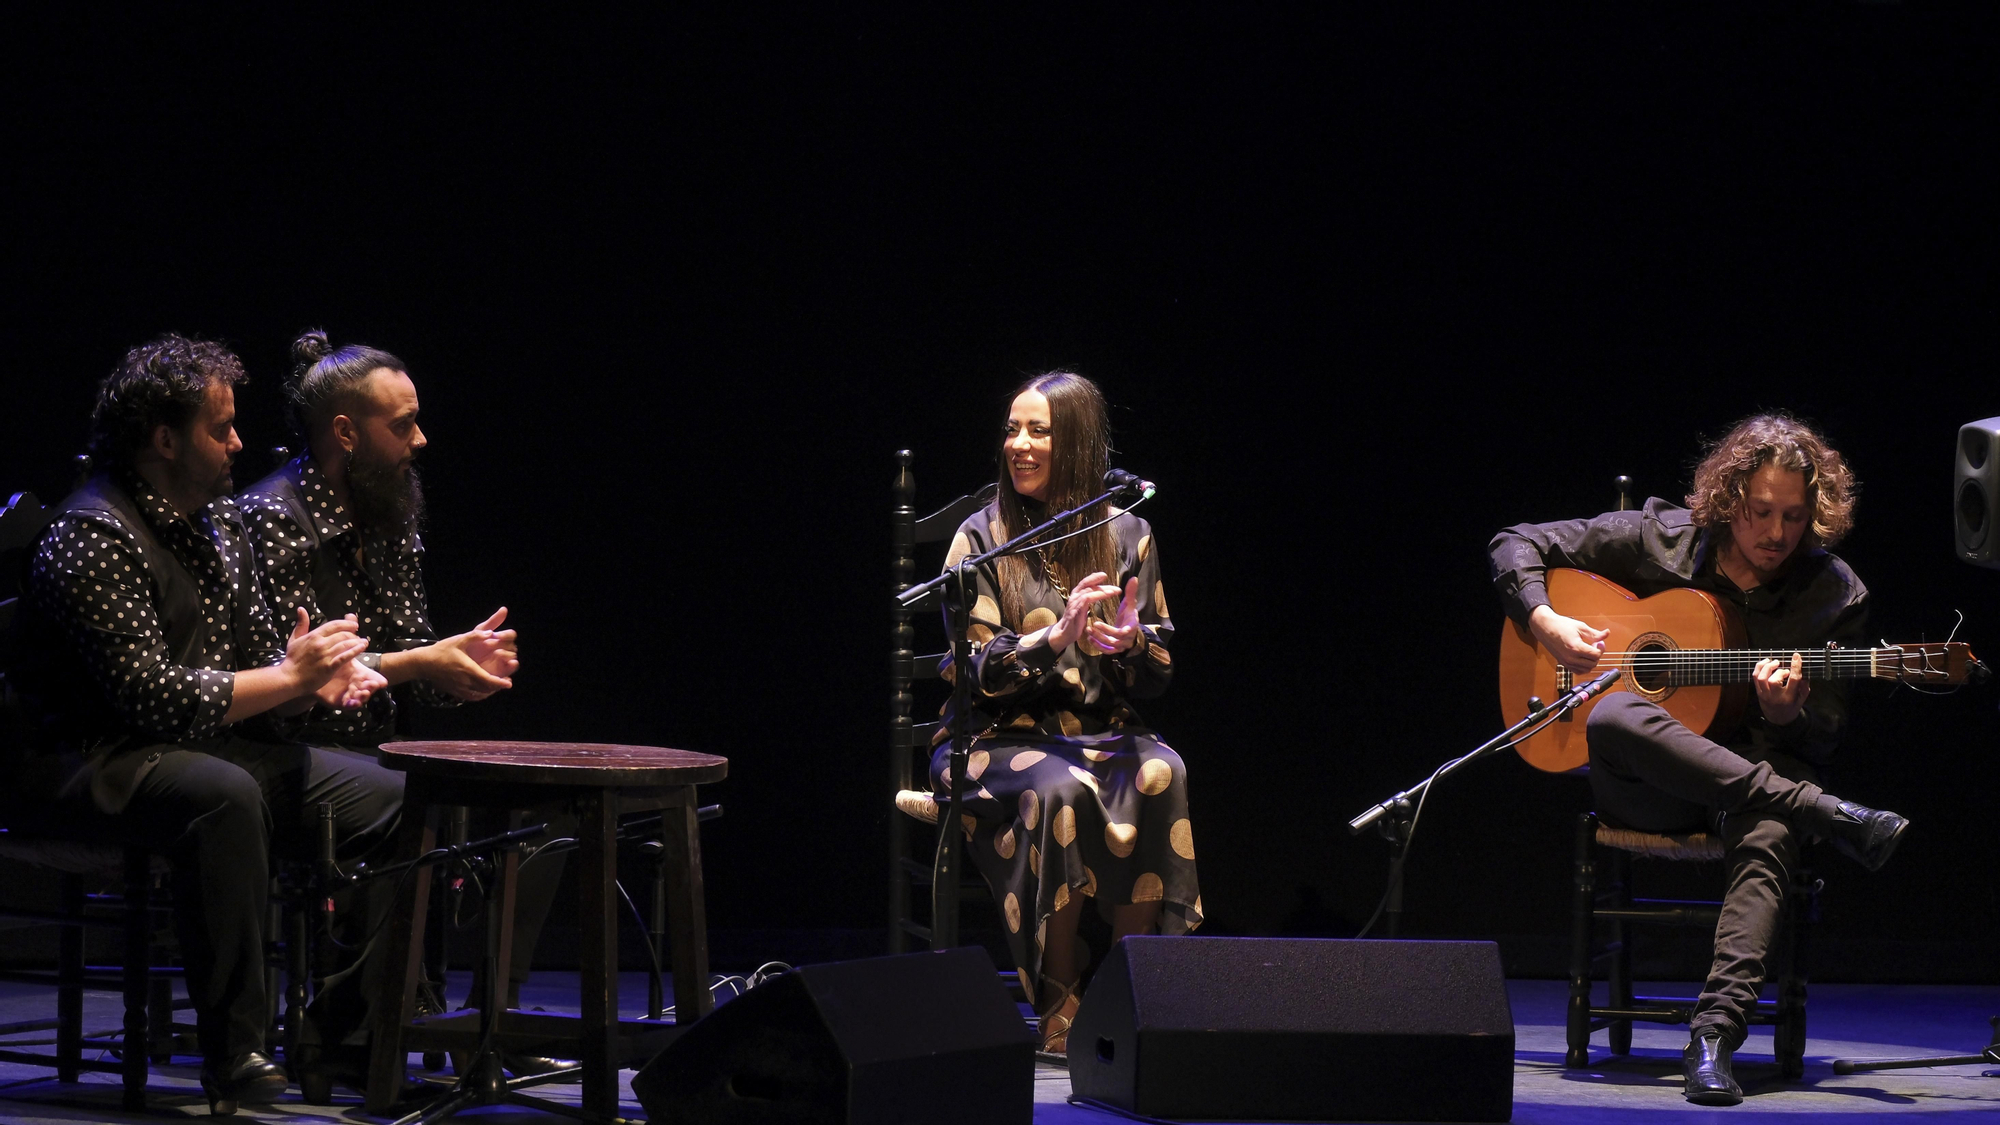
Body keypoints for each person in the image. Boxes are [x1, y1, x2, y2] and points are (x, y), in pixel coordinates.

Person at [12, 334, 404, 1113]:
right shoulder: (93, 534)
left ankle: (352, 1029)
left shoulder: (220, 524)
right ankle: (236, 1050)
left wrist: (310, 680)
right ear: (164, 439)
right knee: (222, 794)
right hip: (89, 759)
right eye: (219, 429)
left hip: (199, 747)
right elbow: (149, 697)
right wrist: (285, 678)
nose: (238, 443)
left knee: (400, 796)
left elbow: (261, 662)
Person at [1487, 413, 1909, 1107]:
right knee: (1619, 712)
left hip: (1753, 783)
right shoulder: (1664, 538)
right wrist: (1546, 620)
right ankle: (1826, 813)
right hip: (1651, 784)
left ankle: (1712, 1039)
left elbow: (1824, 731)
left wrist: (1786, 712)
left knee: (1770, 826)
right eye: (1759, 512)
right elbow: (1515, 542)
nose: (1775, 533)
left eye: (1795, 517)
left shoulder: (1833, 592)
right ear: (1728, 498)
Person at [234, 331, 559, 1072]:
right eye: (401, 423)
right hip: (298, 744)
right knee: (410, 803)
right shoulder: (273, 516)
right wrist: (422, 662)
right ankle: (350, 1033)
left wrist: (456, 668)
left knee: (543, 802)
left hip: (384, 739)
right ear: (345, 431)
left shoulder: (393, 510)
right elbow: (298, 670)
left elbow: (408, 649)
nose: (420, 438)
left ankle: (484, 1024)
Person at [928, 371, 1200, 1056]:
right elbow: (975, 671)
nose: (1018, 444)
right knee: (1059, 790)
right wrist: (1052, 639)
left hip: (1100, 731)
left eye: (1038, 431)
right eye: (1012, 429)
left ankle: (1129, 987)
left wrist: (1129, 641)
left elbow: (1160, 671)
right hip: (991, 739)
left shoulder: (1127, 531)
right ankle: (1058, 990)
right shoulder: (979, 539)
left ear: (1075, 442)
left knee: (1162, 771)